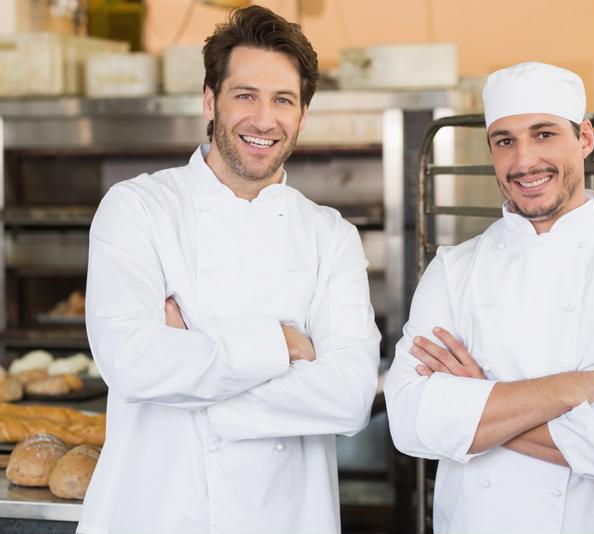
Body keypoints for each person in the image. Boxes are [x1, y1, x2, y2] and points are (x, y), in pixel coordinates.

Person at [80, 6, 380, 534]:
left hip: (287, 518)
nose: (264, 120)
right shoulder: (137, 208)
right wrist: (284, 345)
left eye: (283, 100)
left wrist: (191, 379)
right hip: (154, 515)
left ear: (303, 116)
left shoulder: (330, 235)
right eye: (245, 95)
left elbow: (350, 399)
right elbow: (129, 362)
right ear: (209, 101)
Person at [384, 62, 594, 533]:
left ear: (585, 138)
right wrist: (574, 388)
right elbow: (410, 422)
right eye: (504, 141)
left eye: (544, 134)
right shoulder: (453, 269)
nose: (524, 161)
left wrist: (473, 407)